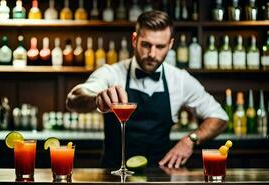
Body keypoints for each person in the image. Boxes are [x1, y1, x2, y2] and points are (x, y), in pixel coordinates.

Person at [66, 10, 228, 168]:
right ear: (134, 40)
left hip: (160, 176)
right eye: (146, 45)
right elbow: (73, 99)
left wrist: (190, 139)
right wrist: (96, 99)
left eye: (160, 46)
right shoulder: (111, 73)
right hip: (112, 176)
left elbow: (220, 117)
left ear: (171, 44)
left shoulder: (179, 79)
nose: (152, 53)